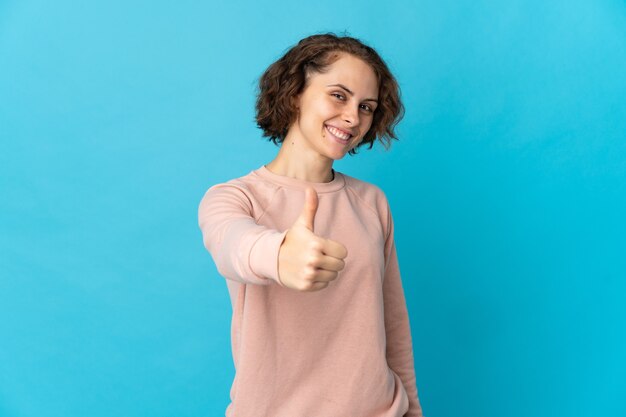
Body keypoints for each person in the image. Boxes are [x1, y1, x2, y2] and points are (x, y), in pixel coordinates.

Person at [198, 33, 424, 417]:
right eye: (339, 95)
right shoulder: (234, 198)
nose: (353, 117)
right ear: (294, 93)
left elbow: (393, 324)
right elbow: (233, 245)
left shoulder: (372, 202)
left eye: (366, 106)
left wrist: (413, 410)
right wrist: (280, 253)